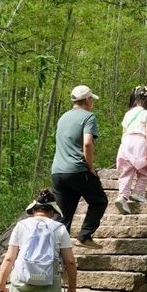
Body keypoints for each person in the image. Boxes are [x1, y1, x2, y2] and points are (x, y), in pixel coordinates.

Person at [51, 84, 108, 248]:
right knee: (99, 201)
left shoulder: (62, 117)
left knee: (63, 216)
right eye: (92, 100)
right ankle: (84, 236)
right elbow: (88, 144)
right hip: (77, 169)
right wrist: (90, 167)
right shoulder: (88, 117)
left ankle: (56, 256)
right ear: (88, 100)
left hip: (57, 172)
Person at [115, 85, 147, 213]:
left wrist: (123, 147)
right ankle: (138, 192)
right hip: (140, 142)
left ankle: (122, 196)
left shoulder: (128, 114)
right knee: (144, 171)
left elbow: (124, 132)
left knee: (126, 171)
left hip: (126, 142)